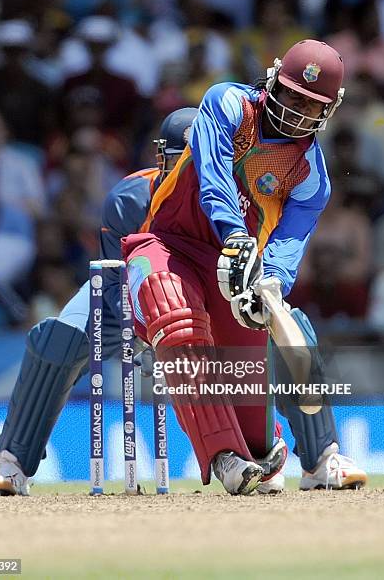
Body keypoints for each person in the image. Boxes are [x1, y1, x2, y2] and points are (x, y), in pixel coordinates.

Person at [0, 103, 365, 495]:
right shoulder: (130, 197)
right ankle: (12, 463)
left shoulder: (242, 196)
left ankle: (320, 459)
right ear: (163, 159)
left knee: (290, 329)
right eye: (182, 162)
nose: (188, 175)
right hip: (131, 298)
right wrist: (151, 337)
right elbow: (113, 285)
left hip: (217, 299)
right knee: (55, 341)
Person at [122, 39, 367, 495]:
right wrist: (236, 237)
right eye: (291, 94)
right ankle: (222, 457)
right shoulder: (228, 103)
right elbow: (214, 178)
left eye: (310, 105)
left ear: (329, 111)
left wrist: (270, 281)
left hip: (240, 267)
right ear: (273, 82)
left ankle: (278, 453)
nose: (296, 111)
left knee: (258, 442)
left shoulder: (312, 176)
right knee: (173, 313)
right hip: (169, 244)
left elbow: (290, 242)